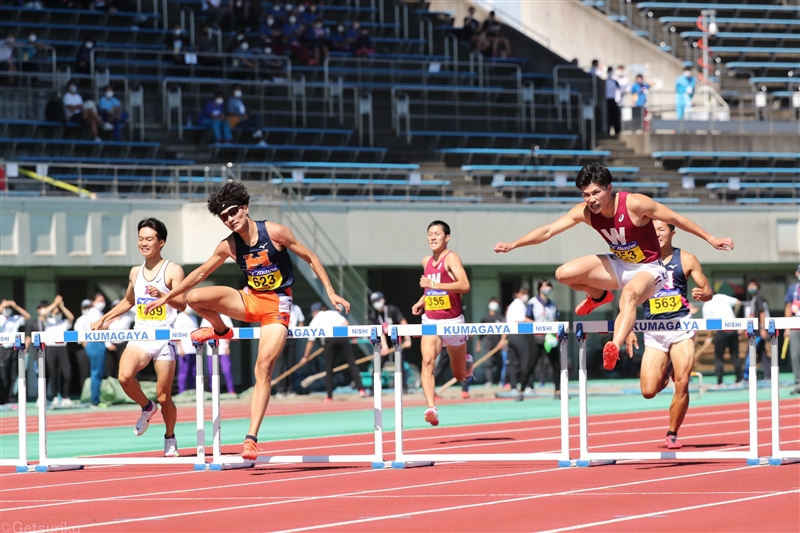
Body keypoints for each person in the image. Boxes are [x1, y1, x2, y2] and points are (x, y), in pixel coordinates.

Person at [142, 181, 350, 461]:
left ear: (245, 208)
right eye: (224, 217)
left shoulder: (275, 232)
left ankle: (251, 438)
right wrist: (168, 296)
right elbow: (201, 272)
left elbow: (310, 257)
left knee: (262, 368)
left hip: (277, 305)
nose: (229, 220)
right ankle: (221, 329)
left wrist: (331, 291)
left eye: (232, 213)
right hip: (249, 300)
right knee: (195, 297)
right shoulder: (229, 245)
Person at [494, 163, 733, 372]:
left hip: (650, 269)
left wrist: (710, 238)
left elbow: (677, 219)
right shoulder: (585, 212)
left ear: (609, 189)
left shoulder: (635, 204)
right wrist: (514, 244)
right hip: (618, 264)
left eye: (596, 192)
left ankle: (613, 347)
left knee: (628, 296)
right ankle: (598, 297)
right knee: (563, 273)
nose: (591, 200)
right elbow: (548, 230)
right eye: (586, 194)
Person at [91, 218, 187, 457]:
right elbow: (128, 301)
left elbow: (183, 304)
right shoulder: (136, 272)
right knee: (124, 377)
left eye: (149, 239)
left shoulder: (173, 270)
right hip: (142, 334)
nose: (144, 243)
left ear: (161, 242)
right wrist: (105, 318)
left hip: (165, 337)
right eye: (141, 238)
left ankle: (170, 437)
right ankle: (147, 406)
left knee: (165, 396)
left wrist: (164, 294)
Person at [624, 221, 713, 449]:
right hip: (654, 332)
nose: (657, 234)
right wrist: (627, 330)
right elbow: (627, 298)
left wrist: (703, 294)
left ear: (673, 233)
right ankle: (667, 370)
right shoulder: (638, 260)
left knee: (682, 383)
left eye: (661, 229)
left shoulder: (687, 259)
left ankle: (672, 433)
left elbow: (708, 290)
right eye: (652, 230)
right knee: (648, 391)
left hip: (680, 327)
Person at [411, 220, 472, 426]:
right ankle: (431, 408)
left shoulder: (451, 258)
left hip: (454, 322)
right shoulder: (426, 260)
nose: (433, 237)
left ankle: (467, 361)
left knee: (460, 374)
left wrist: (434, 284)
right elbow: (430, 289)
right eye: (430, 234)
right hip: (432, 320)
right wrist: (421, 301)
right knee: (427, 361)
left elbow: (464, 285)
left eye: (437, 233)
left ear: (447, 237)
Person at [300, 303, 366, 402]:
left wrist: (305, 356)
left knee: (329, 368)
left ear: (315, 312)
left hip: (329, 340)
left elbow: (311, 340)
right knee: (352, 364)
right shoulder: (333, 313)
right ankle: (361, 389)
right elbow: (346, 323)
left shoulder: (315, 320)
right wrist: (351, 335)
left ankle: (329, 396)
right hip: (342, 336)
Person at [522, 279, 562, 400]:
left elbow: (556, 319)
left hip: (550, 338)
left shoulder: (553, 303)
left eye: (549, 286)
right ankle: (521, 390)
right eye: (544, 286)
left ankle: (558, 390)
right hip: (537, 337)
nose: (547, 289)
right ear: (539, 288)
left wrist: (556, 330)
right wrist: (539, 326)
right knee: (530, 364)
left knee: (556, 364)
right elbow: (526, 319)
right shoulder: (533, 302)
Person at [368, 291, 412, 394]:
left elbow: (403, 322)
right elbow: (380, 332)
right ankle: (373, 389)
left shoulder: (393, 310)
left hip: (396, 336)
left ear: (383, 300)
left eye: (378, 300)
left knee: (399, 362)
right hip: (383, 339)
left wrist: (407, 338)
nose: (376, 303)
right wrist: (384, 347)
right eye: (374, 302)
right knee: (378, 363)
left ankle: (403, 387)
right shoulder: (373, 315)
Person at [39, 296, 74, 407]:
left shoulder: (64, 322)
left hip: (62, 348)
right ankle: (55, 396)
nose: (57, 312)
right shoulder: (48, 321)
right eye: (55, 311)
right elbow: (43, 314)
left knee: (67, 373)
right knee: (53, 374)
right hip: (51, 348)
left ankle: (65, 396)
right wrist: (55, 304)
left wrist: (62, 306)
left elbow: (71, 317)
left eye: (58, 311)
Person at [702, 292, 743, 386]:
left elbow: (708, 323)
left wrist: (709, 337)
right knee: (735, 356)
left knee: (719, 357)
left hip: (721, 331)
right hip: (732, 329)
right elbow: (738, 302)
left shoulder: (706, 304)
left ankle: (720, 382)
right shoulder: (722, 296)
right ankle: (739, 380)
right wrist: (734, 317)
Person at [73, 298, 107, 407]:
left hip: (98, 344)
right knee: (95, 373)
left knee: (97, 373)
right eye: (85, 307)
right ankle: (94, 400)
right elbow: (99, 328)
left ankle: (96, 398)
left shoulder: (97, 312)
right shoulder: (90, 314)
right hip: (93, 344)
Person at [0, 300, 30, 406]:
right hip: (3, 348)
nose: (7, 309)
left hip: (14, 348)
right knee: (3, 375)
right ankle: (2, 399)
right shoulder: (1, 319)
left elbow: (27, 316)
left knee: (13, 375)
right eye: (6, 307)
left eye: (9, 307)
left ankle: (10, 399)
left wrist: (15, 306)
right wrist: (2, 306)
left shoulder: (15, 319)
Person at [201, 313, 236, 394]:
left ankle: (231, 390)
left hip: (223, 349)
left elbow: (230, 331)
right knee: (211, 372)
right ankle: (213, 391)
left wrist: (227, 345)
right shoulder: (206, 317)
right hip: (211, 350)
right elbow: (201, 332)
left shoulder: (225, 316)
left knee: (227, 370)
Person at [273, 303, 303, 396]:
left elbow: (301, 321)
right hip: (281, 338)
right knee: (280, 364)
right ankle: (280, 389)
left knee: (291, 364)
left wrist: (299, 332)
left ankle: (290, 388)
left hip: (292, 338)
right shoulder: (278, 307)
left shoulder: (296, 308)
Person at [504, 287, 530, 395]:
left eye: (526, 293)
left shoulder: (512, 305)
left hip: (512, 335)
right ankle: (527, 386)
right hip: (519, 334)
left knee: (513, 362)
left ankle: (514, 386)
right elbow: (520, 319)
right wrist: (535, 323)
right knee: (525, 360)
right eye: (523, 293)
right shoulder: (518, 305)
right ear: (517, 294)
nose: (525, 295)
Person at [476, 297, 507, 388]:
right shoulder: (485, 318)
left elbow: (504, 331)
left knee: (499, 363)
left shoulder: (500, 317)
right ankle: (489, 381)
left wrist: (502, 341)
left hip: (499, 345)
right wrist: (478, 344)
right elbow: (481, 333)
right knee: (488, 363)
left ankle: (499, 381)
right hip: (488, 344)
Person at [744, 279, 771, 381]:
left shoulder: (759, 299)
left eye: (753, 285)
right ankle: (768, 374)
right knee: (762, 352)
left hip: (758, 331)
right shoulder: (753, 300)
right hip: (754, 330)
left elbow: (762, 313)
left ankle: (746, 375)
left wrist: (763, 328)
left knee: (750, 351)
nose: (751, 288)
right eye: (749, 285)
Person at [174, 307, 199, 394]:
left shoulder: (193, 318)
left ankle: (192, 391)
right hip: (184, 350)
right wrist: (180, 348)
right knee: (183, 372)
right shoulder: (179, 318)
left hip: (193, 349)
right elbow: (176, 335)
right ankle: (182, 391)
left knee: (193, 372)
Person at [784, 265, 800, 394]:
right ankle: (798, 383)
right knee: (795, 354)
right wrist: (787, 327)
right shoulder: (792, 288)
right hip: (795, 323)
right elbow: (789, 306)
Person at [605, 67, 621, 136]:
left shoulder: (615, 81)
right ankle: (607, 130)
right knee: (608, 117)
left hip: (614, 101)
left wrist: (618, 100)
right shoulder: (605, 81)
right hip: (607, 101)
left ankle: (617, 131)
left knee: (615, 117)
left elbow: (618, 91)